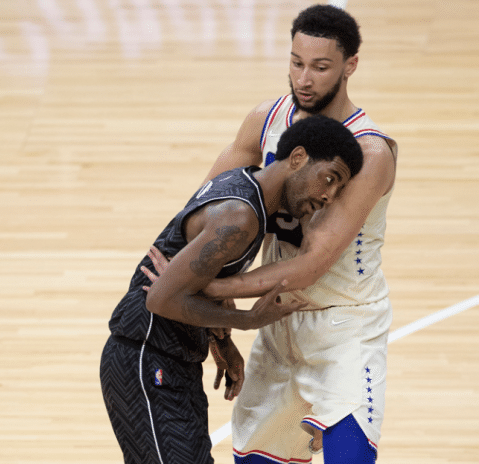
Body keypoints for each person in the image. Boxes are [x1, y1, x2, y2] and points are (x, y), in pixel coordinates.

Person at [145, 4, 398, 463]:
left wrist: (207, 289)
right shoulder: (265, 120)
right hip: (277, 321)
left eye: (320, 67)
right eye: (296, 63)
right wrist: (218, 326)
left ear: (350, 66)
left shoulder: (369, 151)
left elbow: (310, 264)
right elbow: (203, 216)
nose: (304, 79)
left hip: (345, 327)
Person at [99, 114, 364, 464]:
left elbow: (194, 284)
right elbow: (161, 299)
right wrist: (247, 320)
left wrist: (220, 340)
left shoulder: (245, 188)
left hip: (174, 359)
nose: (329, 196)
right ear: (298, 158)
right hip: (146, 356)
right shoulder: (240, 216)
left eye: (338, 189)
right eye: (329, 178)